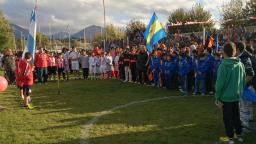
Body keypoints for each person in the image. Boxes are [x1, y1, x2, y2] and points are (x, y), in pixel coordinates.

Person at [215, 42, 245, 144]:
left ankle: (231, 137)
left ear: (224, 52)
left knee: (228, 118)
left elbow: (219, 84)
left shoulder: (223, 66)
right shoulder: (240, 64)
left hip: (226, 98)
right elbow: (243, 80)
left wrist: (217, 97)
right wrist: (239, 91)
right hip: (236, 96)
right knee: (236, 116)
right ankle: (239, 134)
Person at [235, 42, 255, 129]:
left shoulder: (244, 58)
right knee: (247, 104)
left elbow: (250, 74)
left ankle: (244, 125)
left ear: (238, 49)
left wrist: (241, 85)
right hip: (250, 85)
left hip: (248, 86)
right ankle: (249, 119)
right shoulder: (246, 56)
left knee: (244, 105)